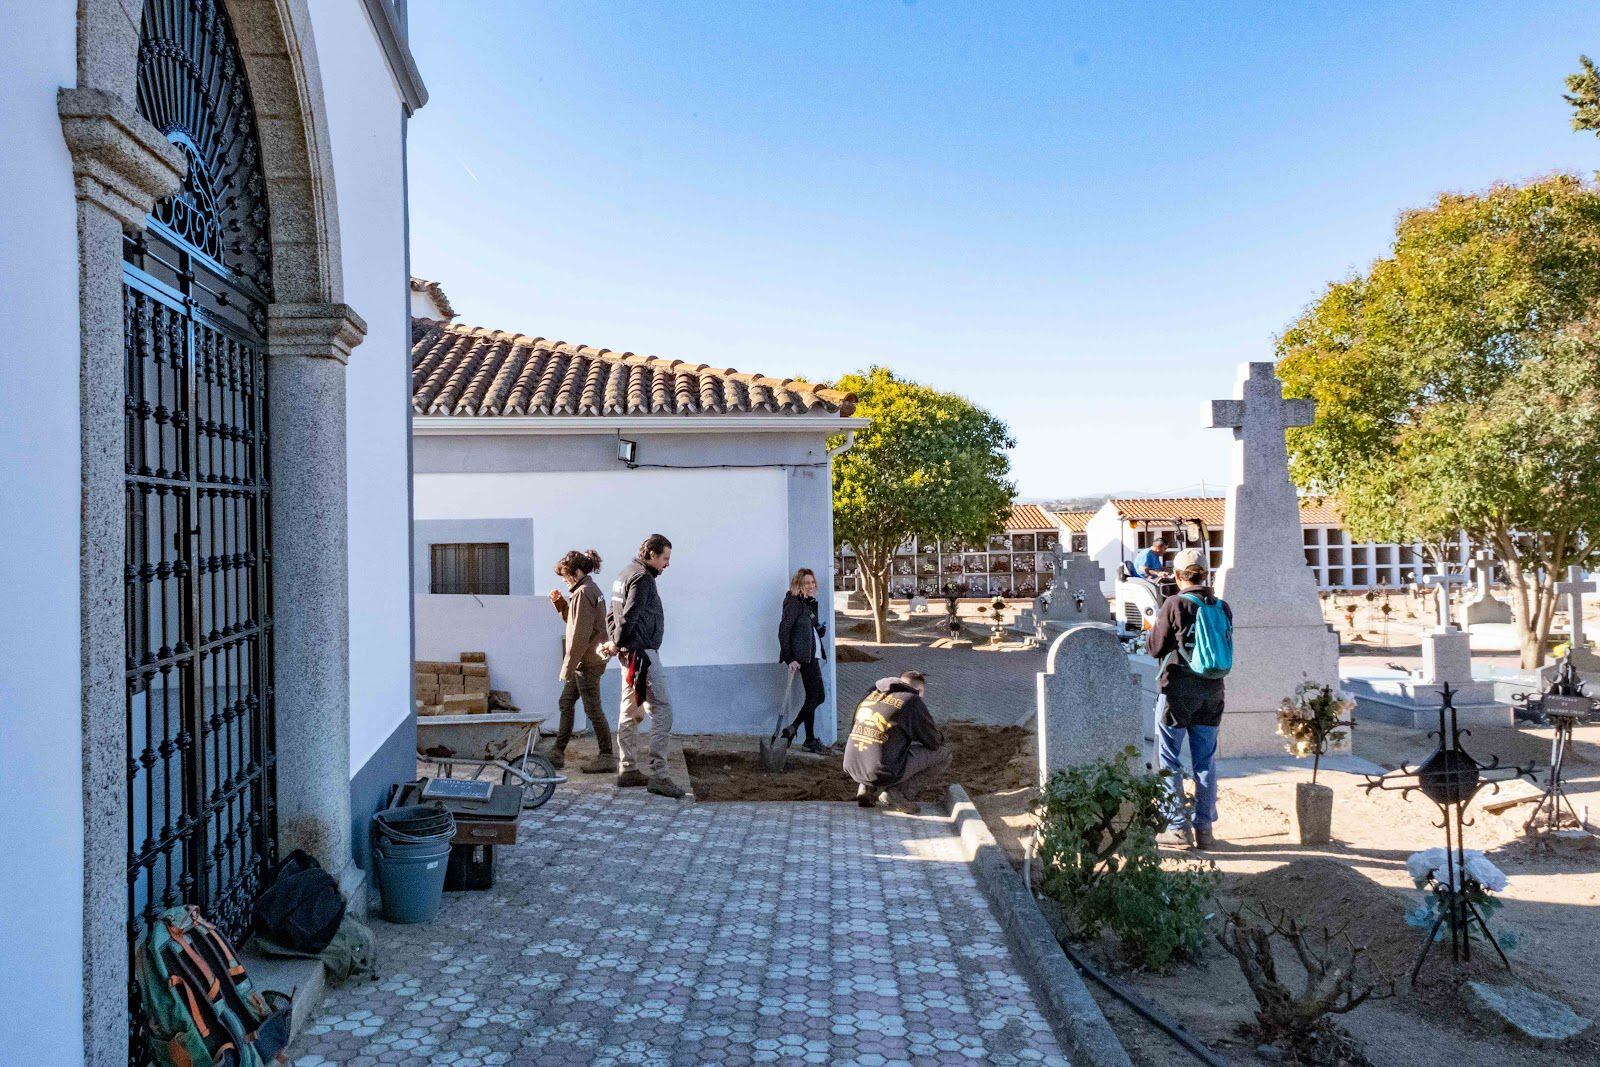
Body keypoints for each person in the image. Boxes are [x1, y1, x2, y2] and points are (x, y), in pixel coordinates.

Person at [1145, 547, 1233, 850]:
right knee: (1205, 761)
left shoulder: (1174, 604)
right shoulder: (1222, 606)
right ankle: (1205, 830)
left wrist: (1151, 630)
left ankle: (1178, 827)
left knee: (1169, 759)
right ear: (1205, 574)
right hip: (1213, 692)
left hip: (1177, 693)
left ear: (1179, 575)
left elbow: (1156, 648)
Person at [605, 534, 685, 798]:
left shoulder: (624, 573)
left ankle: (627, 769)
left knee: (629, 711)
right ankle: (659, 775)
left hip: (630, 655)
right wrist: (617, 642)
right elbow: (628, 617)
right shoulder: (642, 578)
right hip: (643, 656)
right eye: (665, 558)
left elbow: (611, 615)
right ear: (651, 553)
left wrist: (615, 643)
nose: (667, 564)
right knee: (662, 709)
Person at [546, 549, 615, 773]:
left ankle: (606, 756)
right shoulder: (587, 590)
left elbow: (578, 636)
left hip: (587, 663)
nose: (564, 581)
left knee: (593, 709)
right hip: (587, 660)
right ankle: (557, 752)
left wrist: (566, 668)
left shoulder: (584, 593)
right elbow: (577, 623)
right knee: (566, 703)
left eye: (566, 576)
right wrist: (561, 605)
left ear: (576, 572)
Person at [843, 670, 951, 814]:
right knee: (944, 754)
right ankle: (898, 793)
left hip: (853, 765)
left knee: (877, 743)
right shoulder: (912, 701)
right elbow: (933, 741)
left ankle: (867, 790)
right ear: (918, 690)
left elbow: (854, 728)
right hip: (881, 771)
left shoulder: (871, 693)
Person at [778, 568, 829, 754]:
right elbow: (784, 630)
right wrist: (789, 658)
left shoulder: (808, 603)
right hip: (803, 658)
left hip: (811, 655)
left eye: (812, 582)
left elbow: (811, 628)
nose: (811, 585)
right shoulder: (793, 602)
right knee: (816, 697)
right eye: (806, 582)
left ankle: (804, 736)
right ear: (798, 584)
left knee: (815, 697)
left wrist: (819, 629)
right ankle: (799, 733)